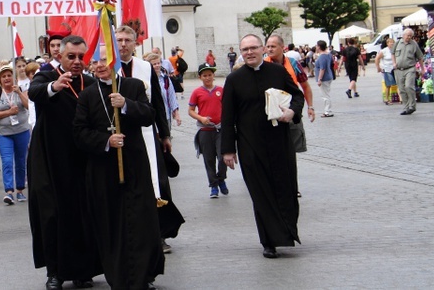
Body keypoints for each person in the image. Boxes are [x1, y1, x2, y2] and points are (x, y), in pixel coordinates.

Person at [73, 47, 164, 289]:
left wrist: (126, 105)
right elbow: (79, 134)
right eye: (95, 61)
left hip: (134, 165)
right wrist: (105, 141)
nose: (100, 64)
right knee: (111, 223)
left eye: (104, 59)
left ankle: (143, 275)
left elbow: (149, 115)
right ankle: (119, 276)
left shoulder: (133, 86)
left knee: (141, 220)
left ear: (114, 60)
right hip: (103, 170)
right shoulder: (87, 95)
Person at [220, 34, 304, 259]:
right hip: (250, 146)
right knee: (261, 193)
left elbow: (297, 95)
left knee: (285, 188)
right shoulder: (234, 79)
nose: (249, 52)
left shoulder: (277, 72)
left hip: (279, 142)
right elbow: (227, 117)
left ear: (262, 50)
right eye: (244, 49)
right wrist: (227, 150)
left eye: (253, 48)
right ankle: (268, 241)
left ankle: (287, 232)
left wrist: (292, 112)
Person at [28, 35, 101, 290]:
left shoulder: (91, 83)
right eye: (72, 56)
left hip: (82, 158)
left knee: (84, 213)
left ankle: (84, 270)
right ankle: (55, 272)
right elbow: (34, 92)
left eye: (82, 57)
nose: (77, 62)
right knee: (52, 215)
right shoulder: (46, 76)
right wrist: (55, 87)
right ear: (60, 56)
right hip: (50, 157)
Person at [115, 25, 184, 254]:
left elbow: (157, 105)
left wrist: (164, 134)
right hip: (118, 136)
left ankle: (160, 233)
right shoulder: (107, 68)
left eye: (127, 40)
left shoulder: (145, 67)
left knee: (157, 183)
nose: (123, 44)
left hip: (146, 134)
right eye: (119, 40)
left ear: (135, 44)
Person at [0, 64, 30, 205]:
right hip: (3, 133)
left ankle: (19, 190)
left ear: (14, 77)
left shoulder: (22, 90)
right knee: (6, 161)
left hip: (21, 131)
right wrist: (8, 112)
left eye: (9, 75)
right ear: (0, 79)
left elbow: (28, 105)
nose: (7, 78)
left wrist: (18, 93)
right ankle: (9, 192)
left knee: (20, 161)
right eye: (4, 76)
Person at [188, 64, 227, 198]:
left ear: (213, 76)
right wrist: (201, 118)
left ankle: (221, 178)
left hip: (220, 129)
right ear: (200, 77)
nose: (208, 77)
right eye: (204, 75)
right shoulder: (197, 92)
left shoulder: (221, 90)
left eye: (210, 75)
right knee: (209, 159)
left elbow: (227, 108)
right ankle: (213, 186)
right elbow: (191, 111)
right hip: (205, 130)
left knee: (223, 157)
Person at [393, 28, 424, 116]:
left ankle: (412, 106)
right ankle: (406, 108)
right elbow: (392, 53)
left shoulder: (414, 44)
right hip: (399, 69)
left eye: (411, 36)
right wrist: (394, 63)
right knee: (402, 89)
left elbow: (420, 57)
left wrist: (422, 69)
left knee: (409, 87)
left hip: (410, 68)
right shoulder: (398, 43)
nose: (409, 37)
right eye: (408, 35)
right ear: (403, 35)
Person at [145, 53, 181, 127]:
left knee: (166, 135)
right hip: (151, 116)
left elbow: (172, 96)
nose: (157, 65)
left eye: (158, 63)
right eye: (154, 64)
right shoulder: (146, 80)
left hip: (165, 115)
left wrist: (176, 112)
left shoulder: (165, 79)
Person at [314, 40, 335, 117]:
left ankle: (328, 111)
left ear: (319, 47)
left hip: (324, 78)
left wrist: (319, 79)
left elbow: (322, 68)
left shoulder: (322, 56)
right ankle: (328, 110)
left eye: (316, 45)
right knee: (326, 94)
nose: (316, 47)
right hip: (329, 76)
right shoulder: (328, 54)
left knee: (325, 95)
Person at [376, 38, 398, 105]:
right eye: (390, 42)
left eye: (393, 42)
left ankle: (401, 99)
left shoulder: (395, 50)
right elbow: (377, 59)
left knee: (398, 84)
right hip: (387, 69)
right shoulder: (384, 51)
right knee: (388, 85)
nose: (392, 43)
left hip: (395, 68)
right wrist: (378, 67)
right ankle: (387, 99)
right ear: (387, 43)